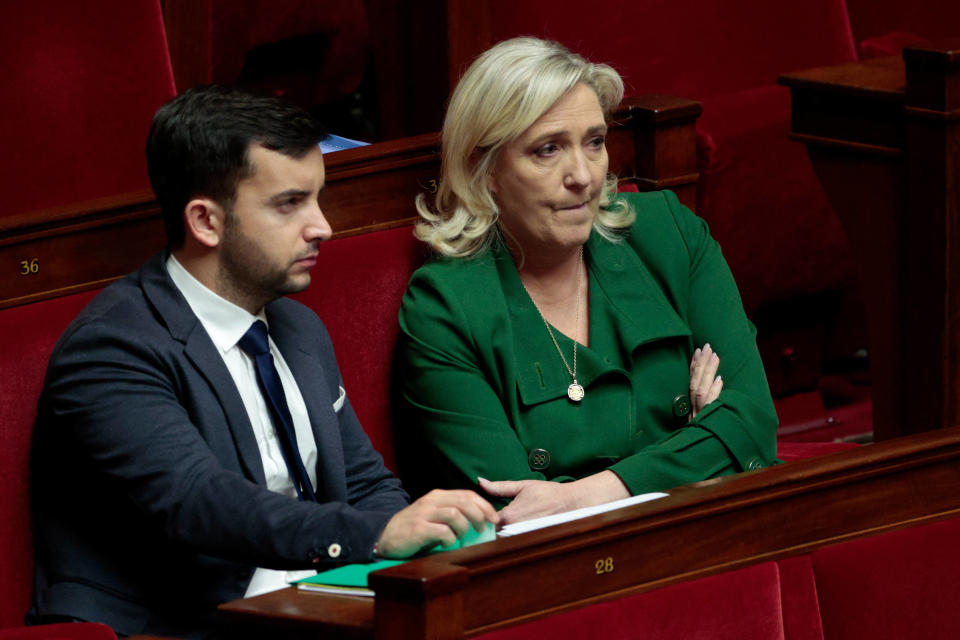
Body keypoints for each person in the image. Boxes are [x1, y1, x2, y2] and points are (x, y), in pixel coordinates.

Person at [29, 85, 497, 639]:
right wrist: (375, 537)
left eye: (318, 198)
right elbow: (199, 502)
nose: (322, 226)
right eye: (289, 203)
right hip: (176, 626)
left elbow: (367, 482)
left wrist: (415, 540)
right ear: (206, 222)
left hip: (312, 606)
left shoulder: (298, 327)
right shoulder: (112, 348)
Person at [395, 37, 778, 525]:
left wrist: (586, 494)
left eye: (594, 142)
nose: (583, 175)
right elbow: (516, 512)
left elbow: (753, 423)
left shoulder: (667, 234)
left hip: (722, 536)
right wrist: (701, 448)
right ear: (482, 168)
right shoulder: (446, 306)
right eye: (548, 149)